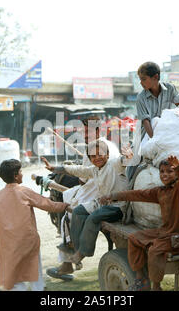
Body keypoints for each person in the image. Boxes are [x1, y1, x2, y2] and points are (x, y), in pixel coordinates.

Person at [99, 155, 179, 291]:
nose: (165, 175)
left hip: (176, 234)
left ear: (176, 174)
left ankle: (157, 286)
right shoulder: (160, 191)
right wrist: (113, 196)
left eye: (169, 171)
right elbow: (137, 194)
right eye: (162, 171)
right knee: (134, 238)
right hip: (163, 232)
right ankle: (141, 279)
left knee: (154, 251)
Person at [46, 116, 120, 279]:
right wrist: (61, 168)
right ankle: (72, 256)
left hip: (98, 195)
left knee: (68, 214)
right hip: (98, 191)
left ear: (98, 131)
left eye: (88, 134)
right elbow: (84, 172)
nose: (86, 138)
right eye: (84, 134)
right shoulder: (110, 145)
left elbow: (82, 179)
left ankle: (68, 262)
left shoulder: (94, 149)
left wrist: (66, 169)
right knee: (71, 201)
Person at [0, 159, 70, 291]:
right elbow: (47, 204)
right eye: (21, 171)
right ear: (16, 176)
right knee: (35, 269)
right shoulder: (24, 192)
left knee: (13, 276)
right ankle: (39, 288)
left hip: (8, 244)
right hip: (28, 240)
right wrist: (65, 206)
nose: (22, 174)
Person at [43, 139, 132, 266]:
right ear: (89, 159)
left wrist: (128, 155)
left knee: (93, 218)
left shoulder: (114, 164)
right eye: (93, 156)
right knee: (78, 211)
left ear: (107, 154)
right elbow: (77, 170)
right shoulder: (95, 170)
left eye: (100, 154)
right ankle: (76, 248)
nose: (97, 158)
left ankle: (82, 253)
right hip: (103, 204)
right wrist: (54, 168)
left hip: (118, 207)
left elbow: (125, 161)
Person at [127, 61, 179, 182]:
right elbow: (146, 121)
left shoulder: (170, 89)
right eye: (140, 80)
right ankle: (130, 184)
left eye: (144, 79)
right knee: (133, 161)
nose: (141, 83)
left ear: (155, 77)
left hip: (167, 129)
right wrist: (155, 140)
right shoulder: (141, 97)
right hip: (147, 133)